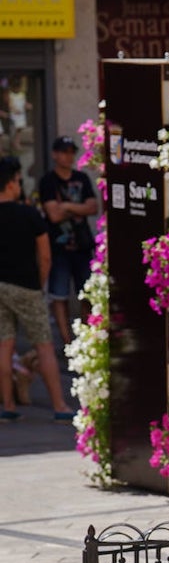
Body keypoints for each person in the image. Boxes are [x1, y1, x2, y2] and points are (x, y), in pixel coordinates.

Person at [0, 156, 74, 422]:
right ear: (10, 184)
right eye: (18, 181)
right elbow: (45, 256)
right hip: (27, 286)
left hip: (1, 287)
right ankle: (59, 406)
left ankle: (8, 405)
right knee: (44, 345)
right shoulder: (29, 214)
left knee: (4, 346)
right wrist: (40, 283)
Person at [38, 135, 98, 348]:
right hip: (59, 248)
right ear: (55, 154)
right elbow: (53, 215)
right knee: (59, 295)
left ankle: (87, 338)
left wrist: (67, 207)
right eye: (64, 152)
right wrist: (77, 207)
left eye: (72, 152)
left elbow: (93, 207)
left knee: (88, 295)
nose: (68, 156)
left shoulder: (82, 178)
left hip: (83, 246)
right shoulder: (48, 181)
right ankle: (66, 342)